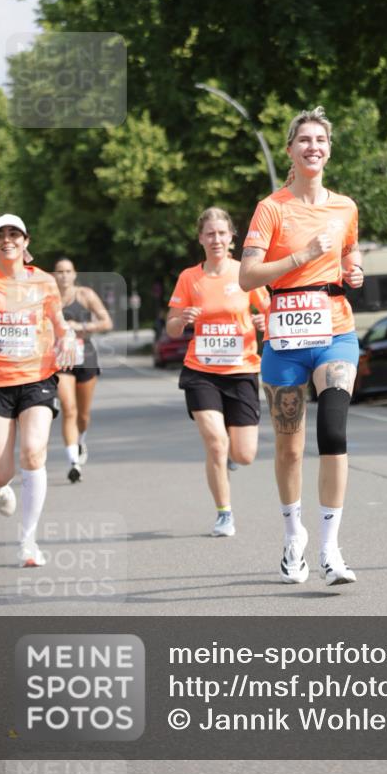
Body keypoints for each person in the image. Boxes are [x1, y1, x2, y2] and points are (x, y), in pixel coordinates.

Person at [239, 106, 364, 587]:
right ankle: (295, 536)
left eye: (321, 140)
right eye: (304, 140)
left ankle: (331, 549)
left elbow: (349, 250)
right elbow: (248, 274)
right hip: (286, 339)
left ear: (329, 150)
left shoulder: (345, 206)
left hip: (335, 331)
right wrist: (300, 256)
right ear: (290, 150)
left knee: (333, 433)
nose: (314, 147)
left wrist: (354, 270)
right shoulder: (272, 208)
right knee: (289, 448)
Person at [0, 215, 76, 567]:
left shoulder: (44, 282)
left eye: (14, 234)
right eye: (0, 235)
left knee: (33, 453)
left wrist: (67, 339)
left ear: (25, 241)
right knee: (1, 471)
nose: (8, 240)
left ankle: (28, 541)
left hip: (37, 377)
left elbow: (60, 324)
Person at [166, 208, 270, 537]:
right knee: (215, 442)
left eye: (222, 233)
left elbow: (272, 314)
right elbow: (171, 328)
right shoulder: (189, 278)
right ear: (200, 239)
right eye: (209, 234)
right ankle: (224, 513)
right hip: (202, 370)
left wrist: (263, 323)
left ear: (232, 238)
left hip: (241, 369)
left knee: (245, 454)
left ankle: (230, 456)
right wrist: (182, 320)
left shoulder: (246, 274)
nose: (216, 239)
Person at [52, 258, 113, 483]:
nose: (64, 276)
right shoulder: (48, 296)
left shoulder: (85, 295)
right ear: (54, 274)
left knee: (83, 415)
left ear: (74, 274)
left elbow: (106, 322)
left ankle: (81, 440)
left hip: (85, 357)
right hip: (60, 361)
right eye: (60, 271)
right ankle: (73, 462)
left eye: (68, 271)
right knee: (69, 408)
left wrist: (83, 327)